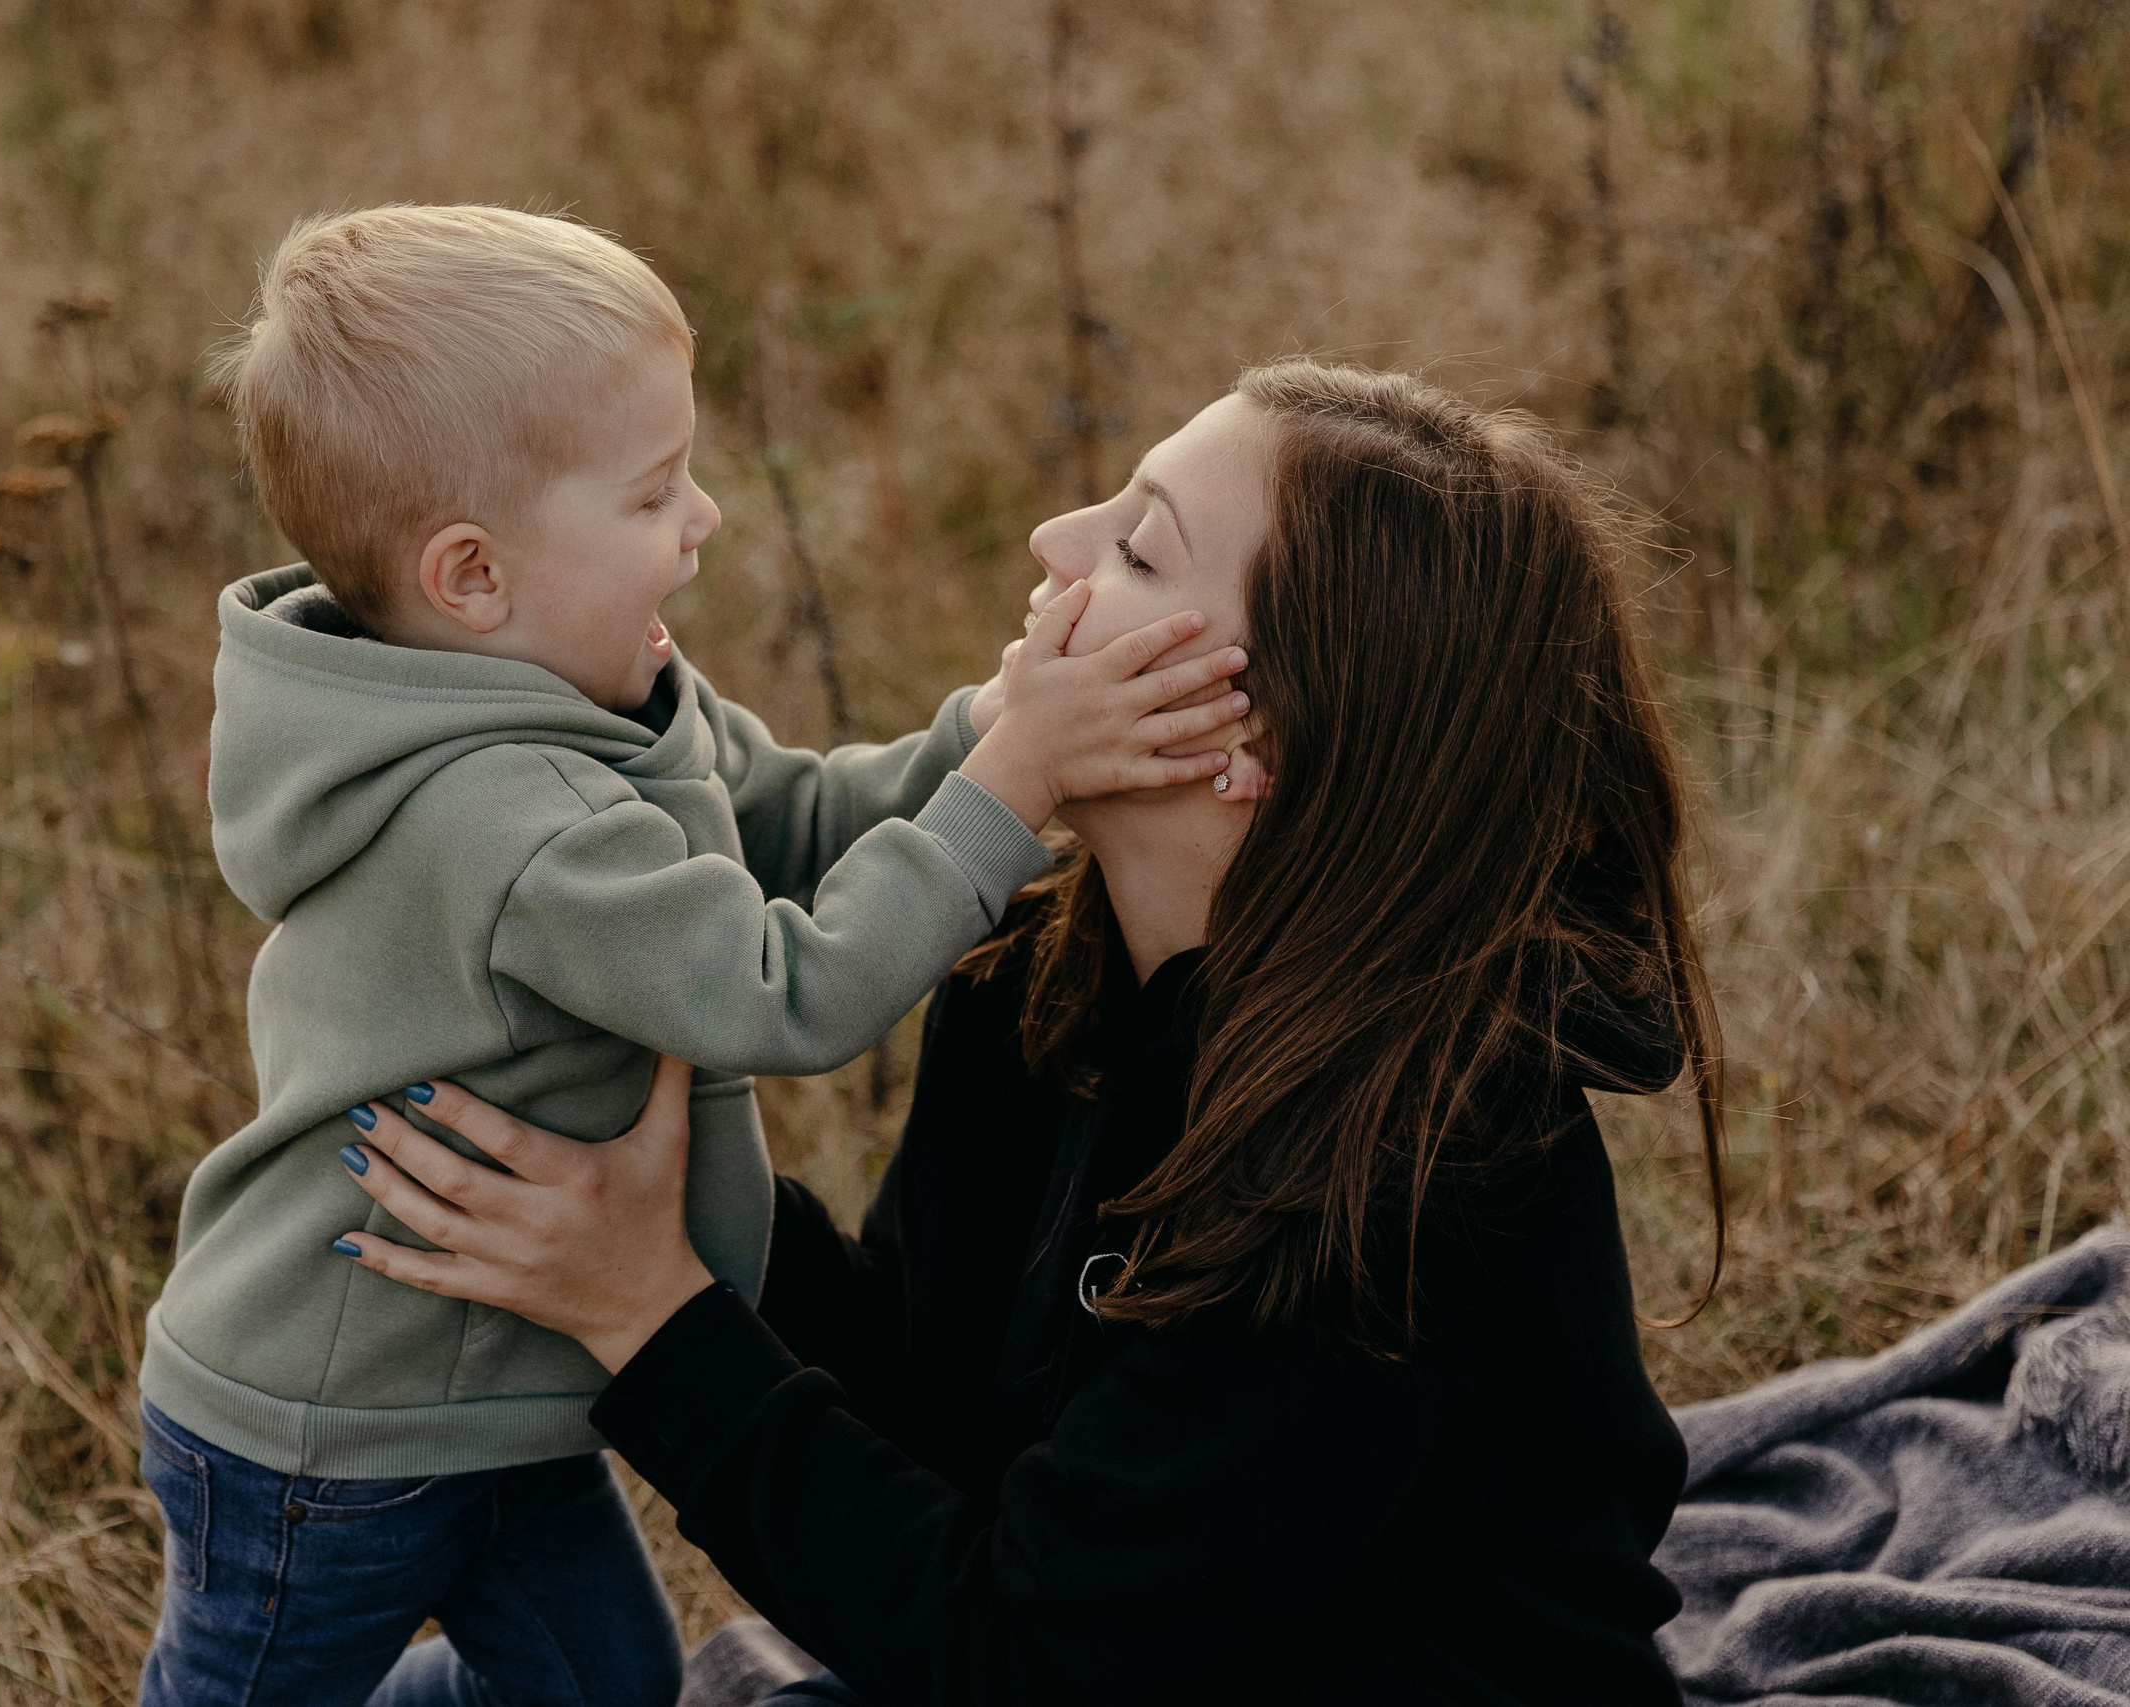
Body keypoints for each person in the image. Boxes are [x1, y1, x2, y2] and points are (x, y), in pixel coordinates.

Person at [333, 359, 1731, 1704]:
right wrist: (666, 1218)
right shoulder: (1039, 962)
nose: (1054, 539)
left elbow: (1025, 1665)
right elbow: (941, 1394)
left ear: (1258, 743)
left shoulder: (1408, 1164)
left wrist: (657, 1326)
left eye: (1137, 550)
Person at [135, 204, 1252, 1707]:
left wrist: (979, 741)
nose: (705, 518)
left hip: (507, 1383)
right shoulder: (509, 817)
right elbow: (784, 994)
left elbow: (785, 816)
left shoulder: (592, 685)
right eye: (655, 493)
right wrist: (1012, 800)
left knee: (606, 1686)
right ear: (473, 576)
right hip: (334, 1426)